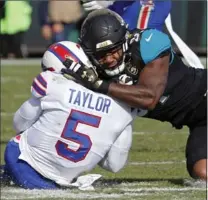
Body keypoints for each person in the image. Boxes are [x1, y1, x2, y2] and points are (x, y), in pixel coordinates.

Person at [63, 9, 207, 181]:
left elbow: (149, 98)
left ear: (124, 41)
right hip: (198, 121)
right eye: (101, 55)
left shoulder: (148, 43)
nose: (109, 59)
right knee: (202, 173)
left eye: (113, 51)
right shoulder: (92, 70)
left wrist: (100, 85)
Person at [2, 41, 137, 189]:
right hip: (65, 174)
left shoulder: (52, 84)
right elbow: (114, 165)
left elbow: (19, 124)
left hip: (24, 159)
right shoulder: (121, 105)